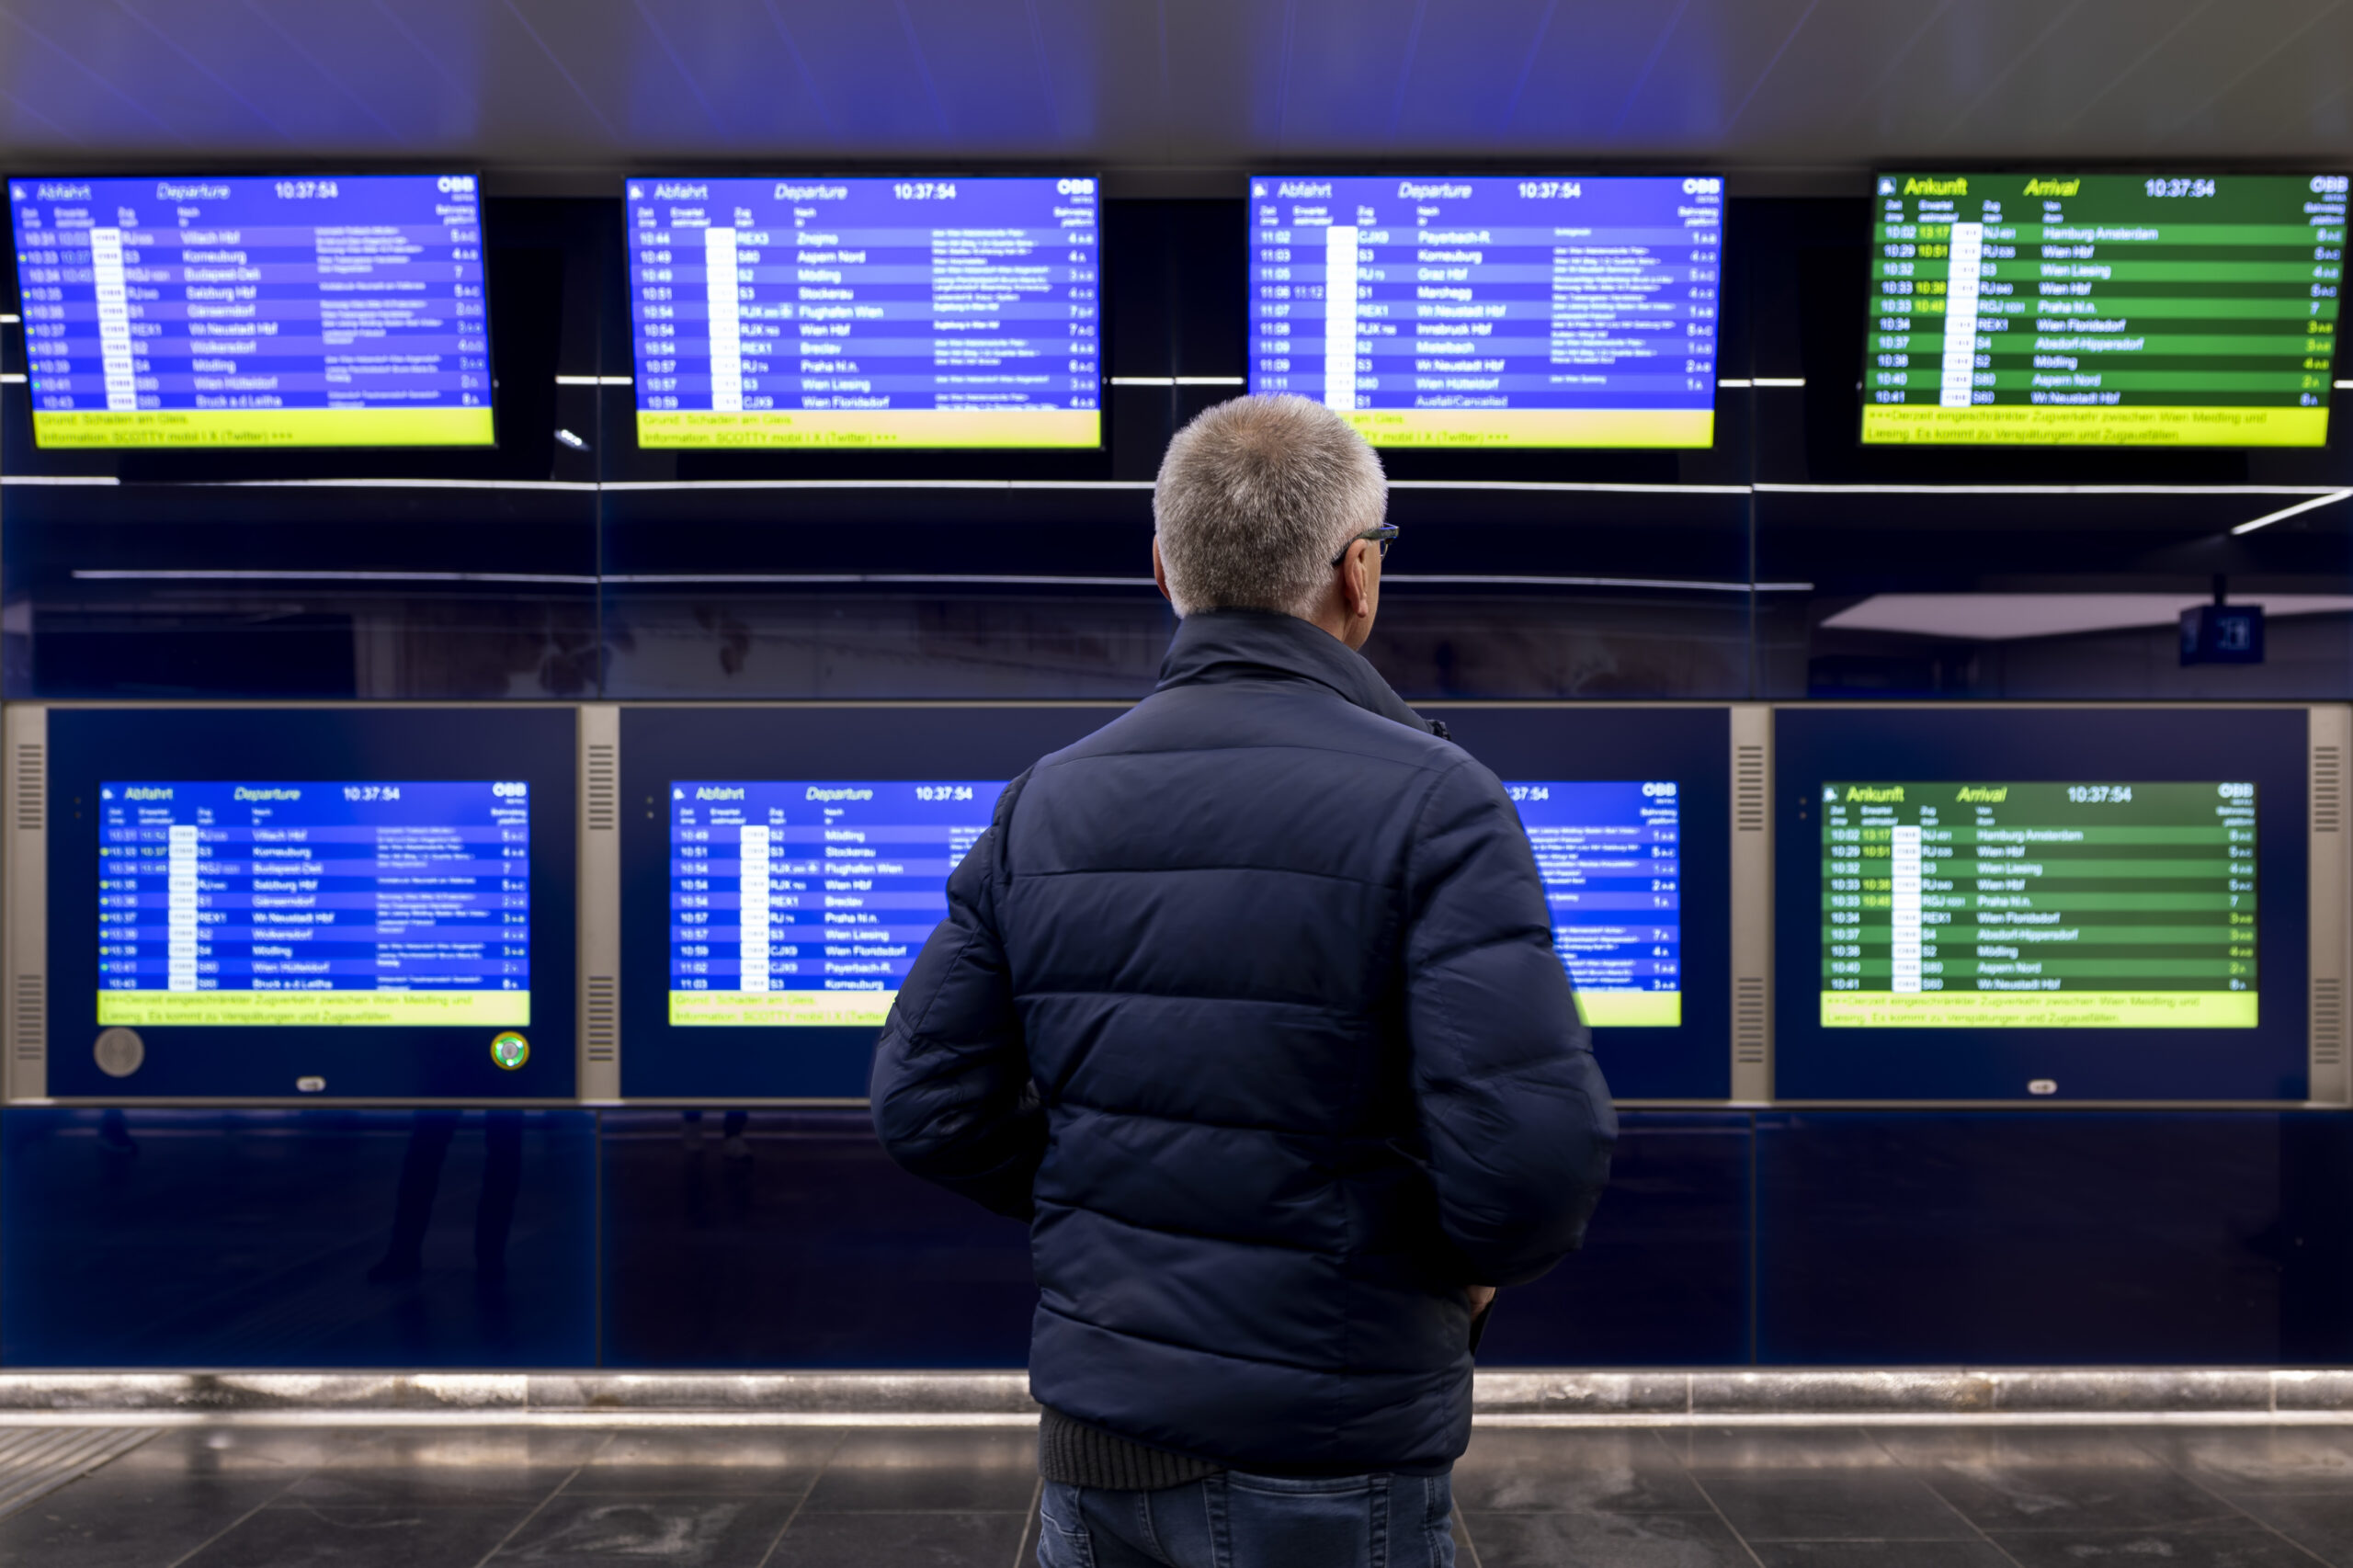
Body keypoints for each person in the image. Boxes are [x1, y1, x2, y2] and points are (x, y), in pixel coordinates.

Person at [870, 394, 1616, 1568]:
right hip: (1332, 1445)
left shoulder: (1045, 800)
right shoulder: (1435, 800)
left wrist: (1118, 1198)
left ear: (1165, 568)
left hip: (1098, 1441)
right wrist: (1440, 1265)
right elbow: (1531, 1163)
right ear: (1358, 573)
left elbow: (924, 1103)